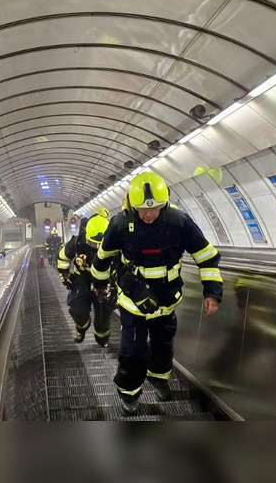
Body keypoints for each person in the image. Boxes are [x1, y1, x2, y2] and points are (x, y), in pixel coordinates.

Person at [91, 171, 222, 415]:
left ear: (165, 203)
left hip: (167, 301)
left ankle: (159, 380)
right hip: (133, 303)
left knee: (163, 346)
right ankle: (129, 395)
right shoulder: (120, 225)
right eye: (142, 209)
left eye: (155, 209)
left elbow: (207, 257)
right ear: (131, 205)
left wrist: (212, 293)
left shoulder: (180, 222)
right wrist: (99, 285)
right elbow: (102, 259)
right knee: (132, 352)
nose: (149, 214)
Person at [57, 210, 115, 346]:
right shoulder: (78, 242)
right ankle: (81, 328)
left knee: (103, 315)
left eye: (100, 244)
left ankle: (102, 338)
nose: (96, 248)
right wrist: (64, 276)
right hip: (82, 279)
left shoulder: (114, 244)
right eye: (93, 243)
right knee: (77, 308)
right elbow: (63, 258)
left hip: (105, 282)